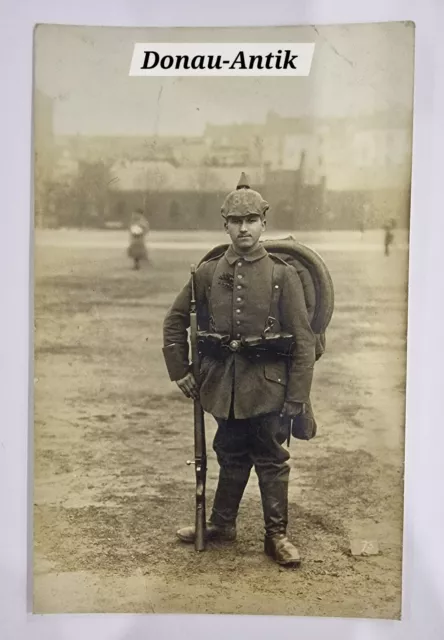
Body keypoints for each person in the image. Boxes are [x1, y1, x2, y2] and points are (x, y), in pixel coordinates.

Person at [162, 173, 316, 567]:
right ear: (225, 224)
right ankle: (221, 524)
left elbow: (303, 339)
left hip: (268, 387)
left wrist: (297, 396)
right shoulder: (208, 272)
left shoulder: (283, 275)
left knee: (269, 457)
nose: (243, 228)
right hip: (222, 385)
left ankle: (276, 536)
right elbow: (175, 319)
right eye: (235, 221)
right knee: (229, 452)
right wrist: (179, 369)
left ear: (264, 222)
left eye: (251, 220)